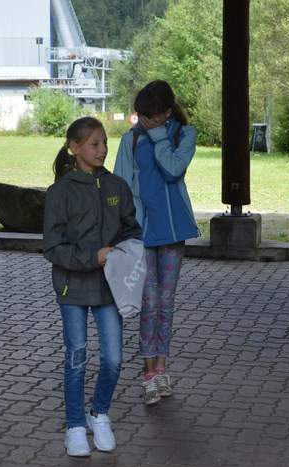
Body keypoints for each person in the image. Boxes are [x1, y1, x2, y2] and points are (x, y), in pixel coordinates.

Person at [43, 116, 141, 457]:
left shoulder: (117, 187)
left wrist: (127, 256)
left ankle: (99, 414)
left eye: (104, 144)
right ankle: (74, 426)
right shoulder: (60, 192)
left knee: (113, 359)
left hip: (109, 289)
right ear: (74, 147)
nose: (102, 150)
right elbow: (52, 247)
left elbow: (132, 231)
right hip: (71, 288)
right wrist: (92, 257)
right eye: (94, 144)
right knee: (76, 358)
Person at [114, 80, 198, 405]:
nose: (145, 120)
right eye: (142, 115)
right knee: (148, 302)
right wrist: (120, 230)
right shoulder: (131, 140)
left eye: (151, 115)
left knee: (166, 301)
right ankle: (148, 373)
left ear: (166, 113)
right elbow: (121, 185)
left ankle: (162, 368)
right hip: (141, 233)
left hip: (174, 230)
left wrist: (160, 136)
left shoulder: (183, 135)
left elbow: (173, 170)